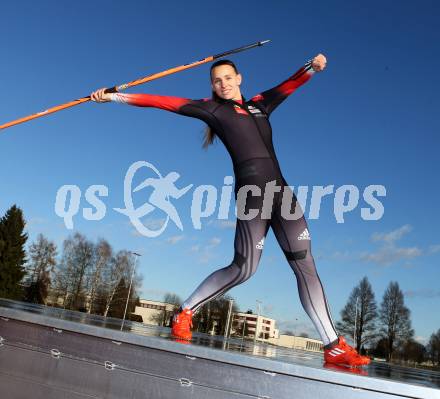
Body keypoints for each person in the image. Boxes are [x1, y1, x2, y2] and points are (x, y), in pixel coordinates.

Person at [91, 54, 370, 367]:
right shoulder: (213, 110)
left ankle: (332, 345)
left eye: (227, 77)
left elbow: (290, 84)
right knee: (245, 268)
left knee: (306, 265)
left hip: (282, 194)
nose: (222, 83)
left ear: (239, 78)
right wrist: (114, 96)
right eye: (216, 80)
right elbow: (161, 101)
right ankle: (184, 313)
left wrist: (312, 67)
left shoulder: (261, 104)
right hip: (252, 194)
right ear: (212, 86)